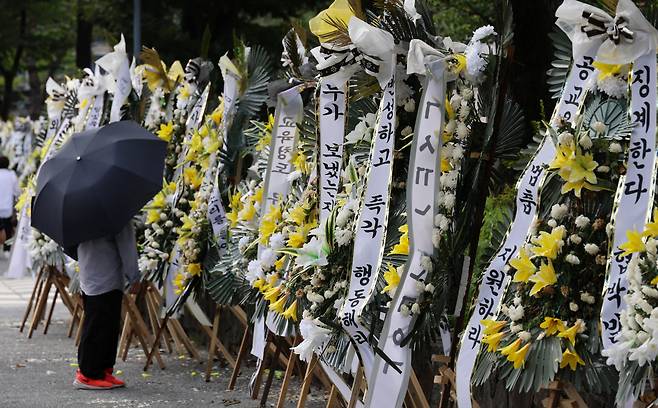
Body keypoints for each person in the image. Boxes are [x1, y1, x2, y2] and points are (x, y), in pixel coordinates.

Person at [73, 221, 141, 390]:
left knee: (99, 325)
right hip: (107, 275)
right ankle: (89, 374)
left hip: (89, 273)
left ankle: (101, 371)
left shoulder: (80, 211)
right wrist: (134, 276)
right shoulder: (118, 214)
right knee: (101, 326)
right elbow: (127, 246)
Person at [0, 155, 19, 250]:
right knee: (8, 227)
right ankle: (6, 247)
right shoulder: (12, 174)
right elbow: (17, 191)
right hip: (7, 207)